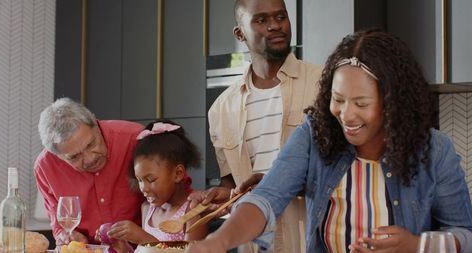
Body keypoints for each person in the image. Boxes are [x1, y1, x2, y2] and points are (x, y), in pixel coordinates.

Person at [186, 28, 472, 253]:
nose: (346, 114)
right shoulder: (315, 134)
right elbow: (266, 198)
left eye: (361, 103)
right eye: (338, 99)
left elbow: (465, 235)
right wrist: (219, 241)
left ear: (392, 103)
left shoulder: (434, 151)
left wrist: (416, 246)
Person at [200, 0, 322, 252]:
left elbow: (344, 170)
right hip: (252, 243)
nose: (275, 26)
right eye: (261, 20)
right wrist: (223, 197)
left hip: (311, 238)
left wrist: (278, 183)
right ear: (240, 33)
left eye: (281, 17)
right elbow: (231, 183)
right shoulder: (221, 109)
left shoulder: (323, 84)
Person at [34, 97, 144, 245]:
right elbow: (59, 225)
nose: (90, 159)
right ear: (58, 156)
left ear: (96, 124)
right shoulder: (45, 167)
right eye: (74, 157)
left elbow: (176, 198)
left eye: (91, 144)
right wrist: (68, 236)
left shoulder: (136, 139)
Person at [104, 120, 208, 246]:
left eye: (151, 180)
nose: (143, 188)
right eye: (140, 180)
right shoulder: (147, 209)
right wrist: (123, 247)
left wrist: (146, 240)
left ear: (178, 174)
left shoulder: (192, 213)